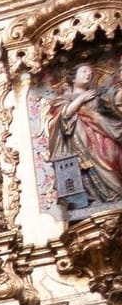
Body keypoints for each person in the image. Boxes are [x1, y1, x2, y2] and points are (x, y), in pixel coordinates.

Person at [48, 61, 122, 206]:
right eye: (84, 71)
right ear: (73, 78)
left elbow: (114, 101)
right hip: (81, 142)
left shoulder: (97, 95)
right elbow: (64, 115)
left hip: (104, 134)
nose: (88, 74)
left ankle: (117, 192)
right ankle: (98, 197)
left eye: (90, 72)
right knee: (88, 167)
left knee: (112, 157)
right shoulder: (63, 99)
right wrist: (82, 99)